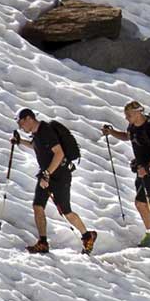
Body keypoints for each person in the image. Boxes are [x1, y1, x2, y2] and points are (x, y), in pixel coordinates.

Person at [16, 109, 96, 254]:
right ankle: (43, 242)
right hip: (47, 175)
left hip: (60, 176)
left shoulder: (45, 130)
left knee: (66, 211)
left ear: (28, 118)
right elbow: (37, 146)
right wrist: (20, 141)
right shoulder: (36, 133)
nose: (21, 127)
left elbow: (59, 153)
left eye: (21, 123)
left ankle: (87, 235)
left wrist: (46, 174)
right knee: (37, 206)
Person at [101, 100, 150, 247]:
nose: (126, 117)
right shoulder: (133, 126)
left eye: (129, 114)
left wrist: (148, 168)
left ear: (138, 112)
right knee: (145, 201)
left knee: (140, 202)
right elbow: (128, 136)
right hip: (141, 169)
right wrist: (111, 132)